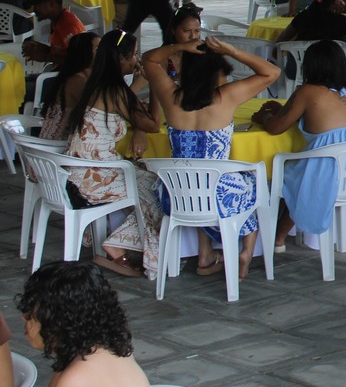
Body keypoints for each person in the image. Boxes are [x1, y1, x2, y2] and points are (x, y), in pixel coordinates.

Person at [143, 36, 279, 279]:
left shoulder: (170, 96)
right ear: (216, 70)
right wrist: (233, 50)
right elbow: (272, 72)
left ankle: (205, 254)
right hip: (219, 198)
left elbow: (149, 59)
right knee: (254, 182)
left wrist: (179, 46)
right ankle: (246, 251)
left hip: (176, 197)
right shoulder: (226, 96)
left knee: (196, 180)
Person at [260, 40, 346, 249]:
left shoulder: (307, 91)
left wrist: (263, 117)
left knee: (280, 173)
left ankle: (276, 235)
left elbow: (275, 128)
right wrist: (282, 109)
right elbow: (323, 116)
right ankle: (280, 235)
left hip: (328, 173)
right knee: (297, 172)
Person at [65, 30, 162, 277]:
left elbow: (133, 113)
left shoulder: (96, 83)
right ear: (121, 58)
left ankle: (123, 243)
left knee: (148, 178)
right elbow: (153, 124)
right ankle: (119, 246)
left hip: (76, 173)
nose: (136, 60)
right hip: (93, 178)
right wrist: (156, 84)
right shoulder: (115, 90)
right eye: (134, 55)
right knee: (161, 189)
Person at [18, 261, 149, 386]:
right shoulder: (113, 353)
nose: (23, 317)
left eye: (30, 312)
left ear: (58, 321)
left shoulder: (75, 379)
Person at [37, 31, 98, 141]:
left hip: (65, 144)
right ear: (85, 54)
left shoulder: (85, 77)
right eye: (98, 49)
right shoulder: (77, 81)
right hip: (55, 147)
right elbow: (100, 110)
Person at [22, 0, 86, 69]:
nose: (35, 9)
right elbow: (65, 53)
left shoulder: (67, 23)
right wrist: (43, 49)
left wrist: (46, 56)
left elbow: (79, 60)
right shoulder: (57, 20)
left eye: (38, 5)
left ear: (52, 4)